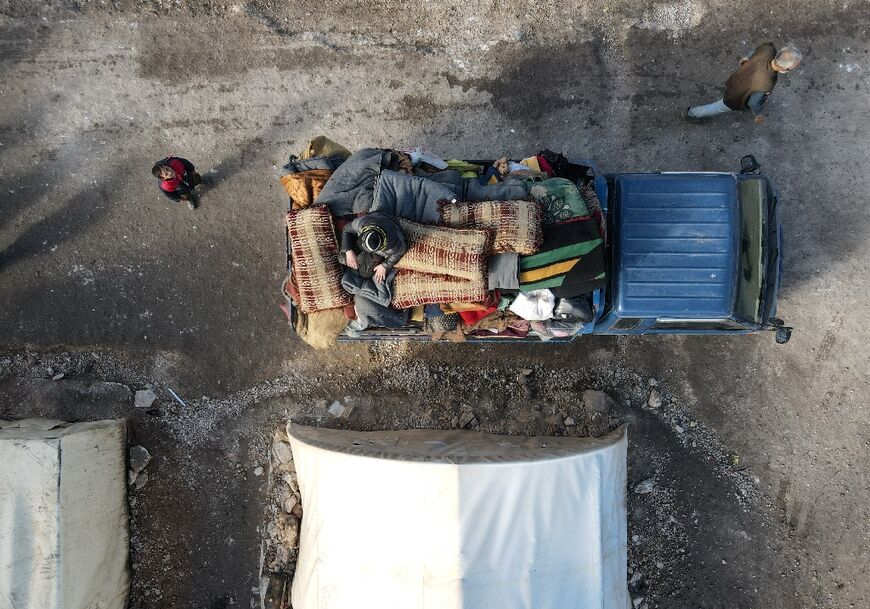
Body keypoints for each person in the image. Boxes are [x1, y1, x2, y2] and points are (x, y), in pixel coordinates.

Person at [686, 43, 802, 123]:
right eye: (795, 66)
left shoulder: (768, 49)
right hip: (736, 97)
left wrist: (746, 59)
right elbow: (754, 103)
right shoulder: (766, 84)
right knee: (717, 107)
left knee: (719, 104)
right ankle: (692, 113)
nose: (796, 66)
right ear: (785, 69)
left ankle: (693, 113)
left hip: (737, 79)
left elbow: (752, 53)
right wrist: (758, 114)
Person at [340, 212, 407, 284]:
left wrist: (384, 266)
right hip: (376, 221)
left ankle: (366, 260)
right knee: (342, 257)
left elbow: (400, 253)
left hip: (379, 249)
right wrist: (348, 250)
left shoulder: (393, 246)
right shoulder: (362, 223)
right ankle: (356, 258)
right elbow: (347, 229)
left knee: (365, 274)